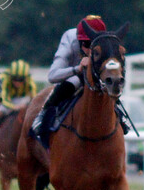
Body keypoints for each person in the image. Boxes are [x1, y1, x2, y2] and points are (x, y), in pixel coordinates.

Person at [30, 15, 130, 147]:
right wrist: (78, 68)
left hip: (95, 76)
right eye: (86, 44)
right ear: (79, 40)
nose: (89, 49)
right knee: (73, 82)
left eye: (92, 45)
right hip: (72, 73)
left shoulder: (105, 43)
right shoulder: (70, 39)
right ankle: (43, 114)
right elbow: (52, 76)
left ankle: (119, 113)